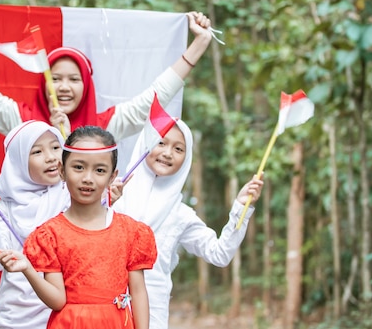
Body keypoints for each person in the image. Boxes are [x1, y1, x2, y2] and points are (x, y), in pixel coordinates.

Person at [0, 0, 213, 140]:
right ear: (44, 85)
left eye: (74, 79)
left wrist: (199, 43)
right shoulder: (21, 121)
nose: (63, 87)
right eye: (55, 78)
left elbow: (155, 97)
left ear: (87, 87)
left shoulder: (104, 126)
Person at [0, 126, 157, 329]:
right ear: (62, 171)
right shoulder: (49, 235)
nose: (88, 178)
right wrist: (27, 269)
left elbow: (138, 292)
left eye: (99, 170)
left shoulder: (131, 232)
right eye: (78, 167)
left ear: (112, 177)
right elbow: (57, 300)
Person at [112, 120, 264, 329]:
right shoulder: (113, 193)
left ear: (187, 158)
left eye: (178, 149)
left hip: (152, 310)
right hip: (103, 303)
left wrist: (240, 208)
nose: (167, 153)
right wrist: (104, 203)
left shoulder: (180, 214)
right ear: (146, 143)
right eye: (161, 143)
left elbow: (219, 254)